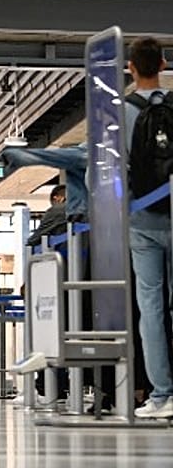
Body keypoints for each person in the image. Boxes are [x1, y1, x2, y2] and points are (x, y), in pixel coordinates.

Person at [126, 36, 173, 419]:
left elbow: (102, 172)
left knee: (151, 308)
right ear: (163, 63)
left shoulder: (120, 112)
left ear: (130, 67)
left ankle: (161, 396)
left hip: (141, 222)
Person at [27, 185, 69, 249]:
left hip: (64, 253)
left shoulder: (55, 210)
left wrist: (29, 242)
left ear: (57, 198)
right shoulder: (85, 207)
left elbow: (35, 238)